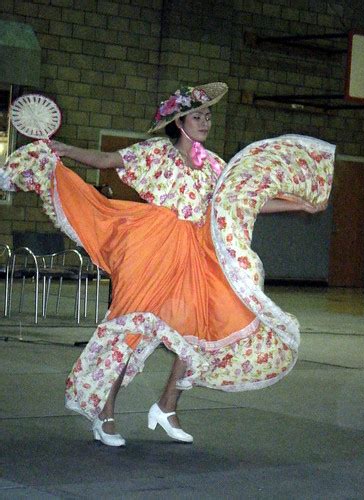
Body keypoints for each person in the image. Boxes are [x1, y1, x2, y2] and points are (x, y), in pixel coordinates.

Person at [1, 82, 335, 447]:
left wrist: (299, 205)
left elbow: (247, 200)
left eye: (208, 115)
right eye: (197, 115)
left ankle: (167, 405)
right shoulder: (157, 153)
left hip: (194, 255)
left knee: (198, 330)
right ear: (179, 121)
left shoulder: (213, 166)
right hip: (153, 247)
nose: (205, 121)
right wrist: (66, 150)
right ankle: (105, 412)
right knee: (130, 329)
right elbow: (110, 161)